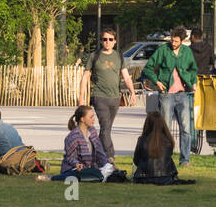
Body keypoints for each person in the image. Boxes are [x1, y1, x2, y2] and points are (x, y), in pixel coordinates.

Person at [142, 26, 200, 166]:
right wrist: (157, 82)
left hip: (183, 94)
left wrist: (193, 82)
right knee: (164, 128)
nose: (173, 44)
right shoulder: (163, 50)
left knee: (186, 128)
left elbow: (193, 69)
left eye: (176, 41)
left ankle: (185, 160)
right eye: (172, 41)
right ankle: (164, 158)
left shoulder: (187, 52)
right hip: (166, 95)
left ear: (182, 40)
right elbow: (148, 68)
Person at [78, 26, 136, 158]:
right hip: (100, 97)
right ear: (101, 41)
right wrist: (81, 97)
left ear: (115, 41)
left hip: (115, 98)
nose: (107, 42)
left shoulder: (119, 56)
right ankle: (110, 157)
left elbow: (126, 76)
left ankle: (94, 154)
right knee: (105, 127)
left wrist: (132, 92)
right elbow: (85, 77)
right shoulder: (94, 56)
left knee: (106, 130)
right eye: (104, 39)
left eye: (110, 39)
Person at [39, 105, 113, 182]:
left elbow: (100, 152)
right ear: (82, 119)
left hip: (90, 169)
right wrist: (77, 164)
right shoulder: (72, 137)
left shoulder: (92, 131)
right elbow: (69, 158)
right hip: (73, 169)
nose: (94, 119)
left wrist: (108, 165)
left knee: (111, 174)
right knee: (78, 176)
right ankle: (52, 178)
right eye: (91, 117)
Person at [132, 111, 186, 183]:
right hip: (166, 177)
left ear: (147, 125)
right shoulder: (168, 140)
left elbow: (136, 160)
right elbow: (168, 156)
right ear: (163, 124)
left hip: (144, 177)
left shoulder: (142, 140)